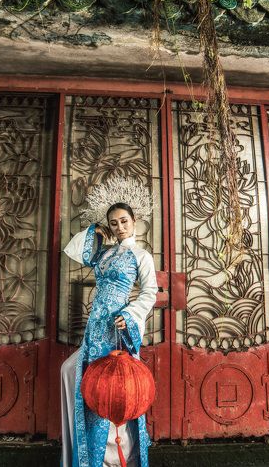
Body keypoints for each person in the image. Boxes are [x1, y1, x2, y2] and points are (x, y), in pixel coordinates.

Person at [61, 197, 159, 467]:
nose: (120, 227)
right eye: (114, 223)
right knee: (85, 383)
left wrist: (129, 315)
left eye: (124, 221)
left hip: (118, 327)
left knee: (117, 388)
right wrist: (95, 231)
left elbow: (150, 292)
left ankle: (119, 459)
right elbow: (75, 250)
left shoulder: (141, 255)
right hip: (95, 326)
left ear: (134, 221)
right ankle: (90, 456)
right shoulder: (103, 254)